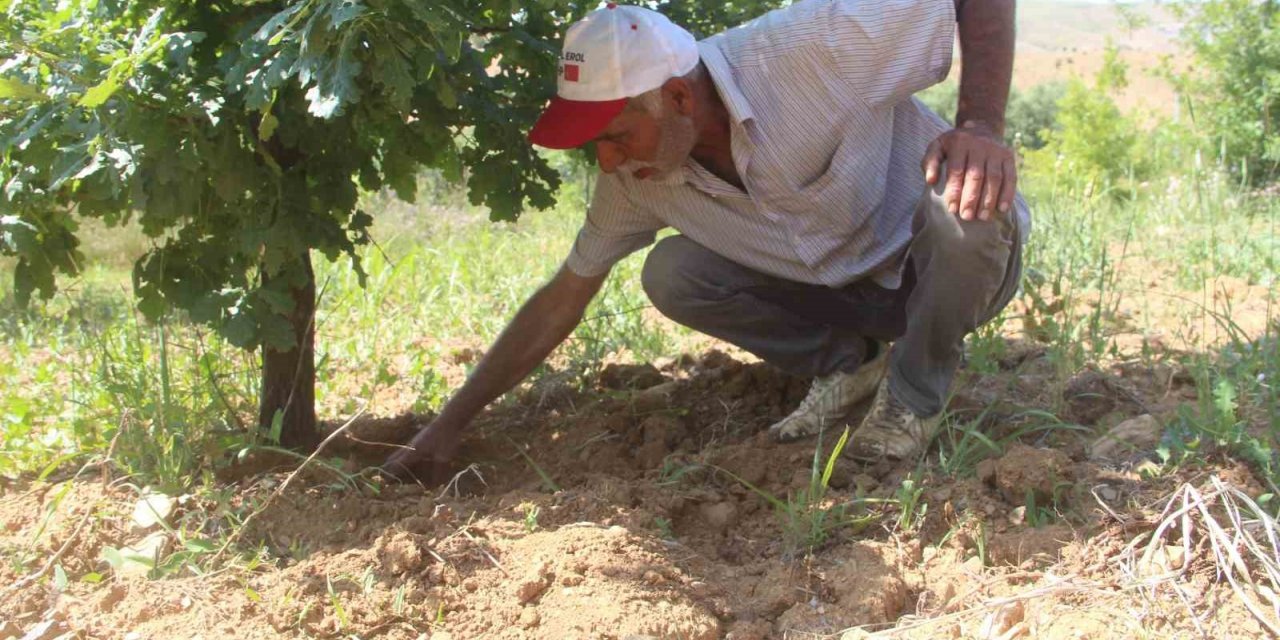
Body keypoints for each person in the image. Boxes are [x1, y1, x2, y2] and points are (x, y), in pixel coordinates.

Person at [384, 0, 1028, 485]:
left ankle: (911, 399)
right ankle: (851, 363)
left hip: (943, 271)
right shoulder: (637, 181)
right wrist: (447, 427)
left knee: (963, 207)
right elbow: (561, 299)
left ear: (676, 96)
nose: (607, 163)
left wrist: (980, 125)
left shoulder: (815, 46)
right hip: (841, 295)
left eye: (615, 135)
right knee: (673, 272)